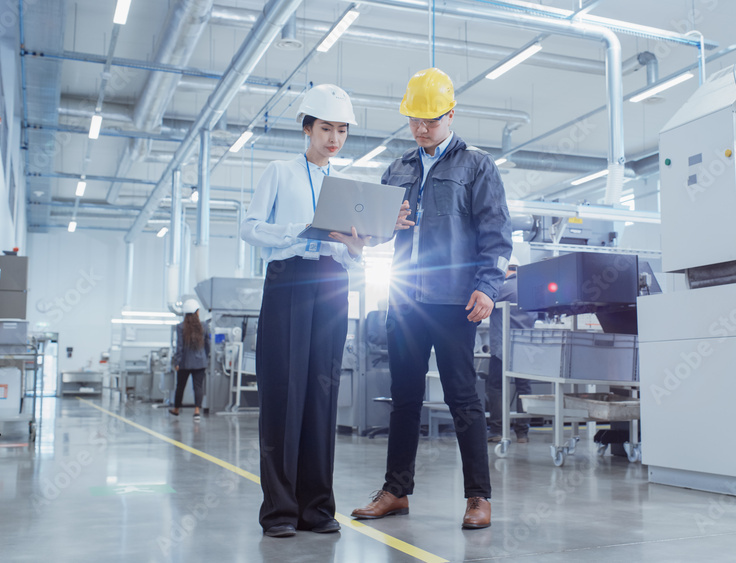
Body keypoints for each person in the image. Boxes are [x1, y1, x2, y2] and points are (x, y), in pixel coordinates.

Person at [351, 68, 512, 530]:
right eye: (414, 120)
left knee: (464, 398)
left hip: (454, 300)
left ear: (451, 114)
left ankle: (478, 497)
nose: (421, 129)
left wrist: (488, 285)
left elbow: (496, 233)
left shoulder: (476, 165)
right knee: (404, 397)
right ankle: (396, 491)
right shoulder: (396, 168)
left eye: (431, 121)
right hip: (405, 299)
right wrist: (385, 225)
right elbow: (375, 233)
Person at [240, 84, 369, 539]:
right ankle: (279, 511)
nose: (334, 138)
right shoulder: (280, 172)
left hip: (332, 285)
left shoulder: (348, 185)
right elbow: (250, 227)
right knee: (282, 395)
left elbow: (352, 256)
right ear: (308, 129)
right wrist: (303, 230)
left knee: (321, 394)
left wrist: (355, 248)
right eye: (326, 129)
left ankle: (316, 508)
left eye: (342, 131)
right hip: (289, 281)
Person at [486, 256, 537, 444]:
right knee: (524, 388)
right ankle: (522, 433)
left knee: (496, 388)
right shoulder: (531, 289)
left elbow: (483, 301)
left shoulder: (503, 287)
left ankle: (497, 430)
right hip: (526, 348)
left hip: (503, 349)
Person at [170, 298, 209, 421]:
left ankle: (176, 409)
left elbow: (179, 346)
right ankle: (197, 411)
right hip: (200, 362)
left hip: (184, 363)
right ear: (197, 312)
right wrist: (205, 357)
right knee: (198, 387)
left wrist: (177, 362)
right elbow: (208, 344)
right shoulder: (204, 326)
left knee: (180, 386)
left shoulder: (180, 327)